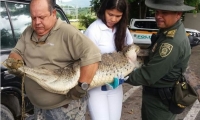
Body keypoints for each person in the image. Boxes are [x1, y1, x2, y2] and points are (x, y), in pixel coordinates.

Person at [5, 0, 101, 119]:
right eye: (33, 18)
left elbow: (93, 55)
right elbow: (16, 52)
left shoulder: (67, 32)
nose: (37, 22)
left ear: (54, 13)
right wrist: (16, 64)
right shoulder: (28, 32)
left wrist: (82, 87)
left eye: (41, 17)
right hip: (38, 107)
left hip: (65, 109)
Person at [125, 0, 195, 120]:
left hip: (160, 102)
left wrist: (121, 77)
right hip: (157, 97)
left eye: (164, 12)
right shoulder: (167, 31)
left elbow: (148, 75)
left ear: (178, 14)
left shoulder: (172, 42)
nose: (158, 16)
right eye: (157, 12)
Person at [84, 0, 133, 120]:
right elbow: (87, 63)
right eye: (110, 14)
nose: (114, 19)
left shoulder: (123, 29)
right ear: (103, 11)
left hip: (116, 86)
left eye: (118, 16)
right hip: (97, 88)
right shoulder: (93, 31)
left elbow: (130, 51)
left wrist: (126, 73)